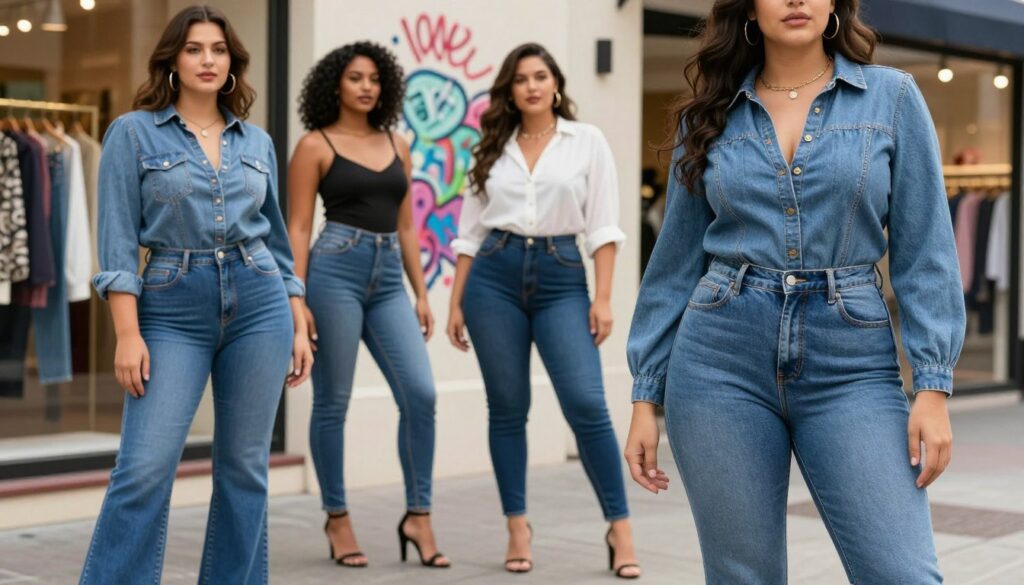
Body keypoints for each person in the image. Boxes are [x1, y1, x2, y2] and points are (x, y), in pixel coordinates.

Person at [624, 1, 964, 583]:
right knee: (742, 575)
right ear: (750, 9)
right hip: (719, 360)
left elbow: (926, 248)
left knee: (901, 572)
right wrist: (644, 396)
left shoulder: (893, 97)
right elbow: (674, 265)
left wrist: (932, 386)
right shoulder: (708, 114)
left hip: (850, 364)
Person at [79, 5, 312, 584]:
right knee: (144, 469)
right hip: (170, 306)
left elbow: (277, 243)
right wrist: (127, 333)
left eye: (217, 49)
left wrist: (297, 312)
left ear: (232, 62)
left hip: (260, 303)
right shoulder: (132, 132)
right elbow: (115, 245)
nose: (207, 59)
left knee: (244, 470)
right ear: (173, 60)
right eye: (193, 49)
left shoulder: (255, 141)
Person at [447, 42, 641, 579]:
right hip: (492, 276)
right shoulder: (492, 147)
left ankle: (619, 526)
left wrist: (602, 298)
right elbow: (469, 233)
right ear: (510, 91)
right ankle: (517, 526)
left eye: (540, 76)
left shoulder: (587, 142)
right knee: (507, 406)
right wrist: (456, 301)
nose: (531, 86)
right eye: (520, 79)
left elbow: (604, 226)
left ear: (556, 84)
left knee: (586, 402)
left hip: (561, 276)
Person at [288, 41, 449, 569]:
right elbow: (299, 226)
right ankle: (337, 518)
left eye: (375, 79)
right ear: (335, 83)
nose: (366, 87)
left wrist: (421, 292)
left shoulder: (396, 142)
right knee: (333, 402)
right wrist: (297, 299)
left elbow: (407, 224)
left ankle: (419, 515)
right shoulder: (315, 145)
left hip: (387, 282)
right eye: (356, 77)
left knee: (421, 394)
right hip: (334, 270)